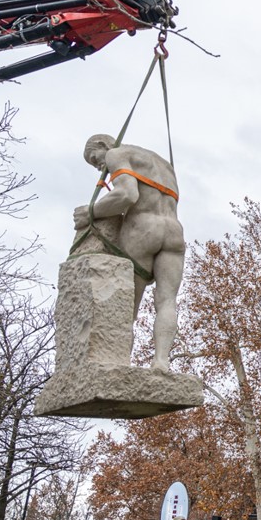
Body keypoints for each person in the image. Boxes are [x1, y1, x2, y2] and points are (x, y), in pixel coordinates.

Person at [73, 134, 185, 371]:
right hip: (174, 232)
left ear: (104, 145)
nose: (99, 167)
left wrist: (90, 212)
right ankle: (161, 361)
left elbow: (127, 195)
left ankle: (120, 364)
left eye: (96, 159)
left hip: (142, 230)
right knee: (167, 301)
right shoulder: (165, 165)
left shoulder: (117, 154)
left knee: (126, 308)